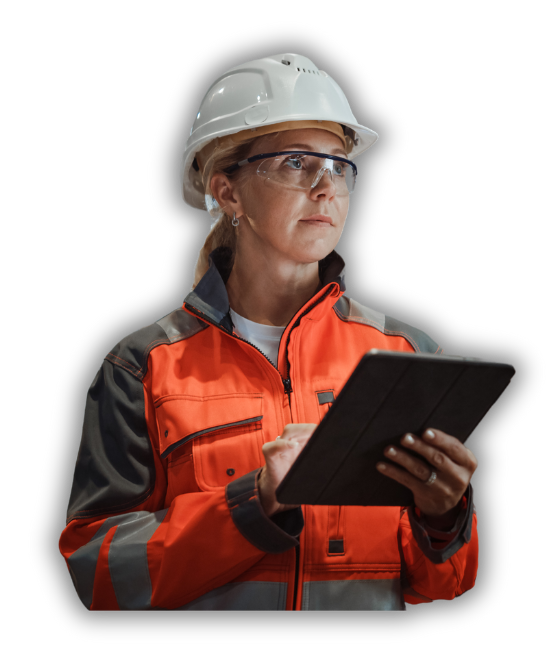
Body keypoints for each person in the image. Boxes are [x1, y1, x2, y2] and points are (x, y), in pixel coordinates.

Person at [58, 53, 479, 611]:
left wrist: (446, 518)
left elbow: (441, 583)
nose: (327, 188)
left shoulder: (405, 353)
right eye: (297, 162)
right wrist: (254, 504)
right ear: (227, 192)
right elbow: (100, 576)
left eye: (338, 167)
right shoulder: (144, 366)